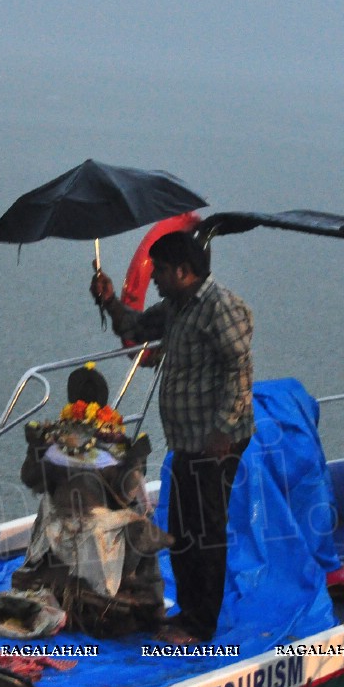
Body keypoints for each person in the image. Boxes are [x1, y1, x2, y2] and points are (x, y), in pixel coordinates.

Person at [89, 231, 254, 644]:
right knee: (181, 529)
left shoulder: (220, 307)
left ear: (184, 271)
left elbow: (240, 370)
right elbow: (135, 326)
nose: (156, 279)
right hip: (188, 440)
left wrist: (222, 430)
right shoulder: (176, 308)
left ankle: (201, 625)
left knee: (206, 532)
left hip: (216, 441)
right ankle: (187, 614)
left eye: (160, 271)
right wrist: (109, 300)